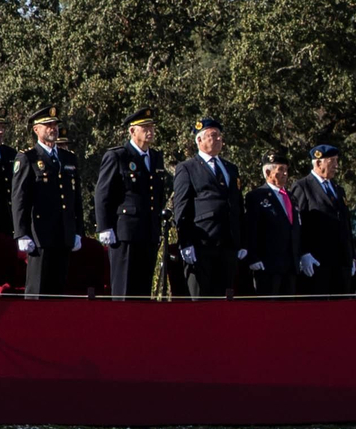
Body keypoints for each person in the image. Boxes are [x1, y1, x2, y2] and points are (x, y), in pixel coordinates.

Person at [95, 111, 170, 298]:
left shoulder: (156, 157)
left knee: (143, 290)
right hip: (125, 232)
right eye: (145, 128)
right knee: (124, 288)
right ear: (132, 131)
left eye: (151, 127)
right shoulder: (119, 156)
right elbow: (103, 192)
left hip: (149, 231)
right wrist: (104, 226)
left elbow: (158, 193)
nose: (150, 131)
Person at [12, 107, 85, 298]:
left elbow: (75, 197)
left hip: (63, 232)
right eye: (48, 125)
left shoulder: (67, 158)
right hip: (40, 235)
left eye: (55, 125)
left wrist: (78, 230)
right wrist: (22, 233)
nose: (53, 129)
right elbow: (19, 198)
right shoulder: (28, 157)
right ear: (36, 129)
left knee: (57, 290)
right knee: (37, 289)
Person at [171, 117, 245, 298]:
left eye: (220, 135)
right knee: (200, 297)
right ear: (199, 140)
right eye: (213, 135)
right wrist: (185, 241)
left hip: (227, 243)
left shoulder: (230, 168)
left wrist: (242, 240)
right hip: (202, 242)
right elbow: (181, 206)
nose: (219, 139)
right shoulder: (187, 168)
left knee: (224, 297)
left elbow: (238, 205)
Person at [291, 143, 356, 294]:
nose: (336, 165)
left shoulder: (338, 189)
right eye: (332, 161)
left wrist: (351, 255)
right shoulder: (303, 187)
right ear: (319, 162)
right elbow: (298, 223)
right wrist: (304, 253)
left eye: (336, 161)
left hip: (341, 262)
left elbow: (346, 224)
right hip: (318, 261)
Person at [242, 151, 301, 296]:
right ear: (268, 172)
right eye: (280, 170)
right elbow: (251, 229)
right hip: (268, 264)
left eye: (286, 170)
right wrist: (253, 257)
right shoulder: (256, 196)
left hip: (290, 264)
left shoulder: (291, 197)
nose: (285, 174)